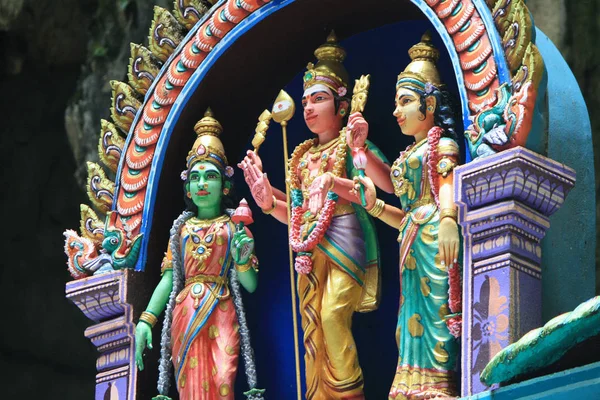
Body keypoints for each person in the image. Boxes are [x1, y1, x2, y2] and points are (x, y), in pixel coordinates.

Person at [239, 32, 392, 400]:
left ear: (341, 106)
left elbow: (386, 187)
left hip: (345, 237)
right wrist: (265, 200)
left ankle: (350, 395)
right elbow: (296, 215)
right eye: (305, 100)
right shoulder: (302, 157)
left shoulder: (352, 147)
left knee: (333, 316)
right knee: (313, 327)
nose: (307, 108)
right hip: (310, 250)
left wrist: (339, 177)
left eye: (318, 99)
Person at [355, 33, 462, 399]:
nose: (397, 111)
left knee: (437, 311)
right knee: (409, 316)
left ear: (429, 104)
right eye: (397, 102)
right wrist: (373, 205)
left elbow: (446, 181)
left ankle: (439, 385)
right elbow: (398, 203)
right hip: (412, 240)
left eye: (406, 101)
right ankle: (412, 384)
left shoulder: (442, 144)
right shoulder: (406, 156)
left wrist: (448, 219)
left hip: (434, 236)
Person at [134, 109, 259, 400]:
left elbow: (251, 285)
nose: (202, 183)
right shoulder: (180, 229)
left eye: (211, 176)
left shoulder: (233, 227)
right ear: (188, 188)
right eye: (196, 177)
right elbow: (168, 279)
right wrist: (146, 320)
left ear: (225, 185)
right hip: (186, 311)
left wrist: (242, 261)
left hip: (221, 310)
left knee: (223, 379)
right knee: (190, 386)